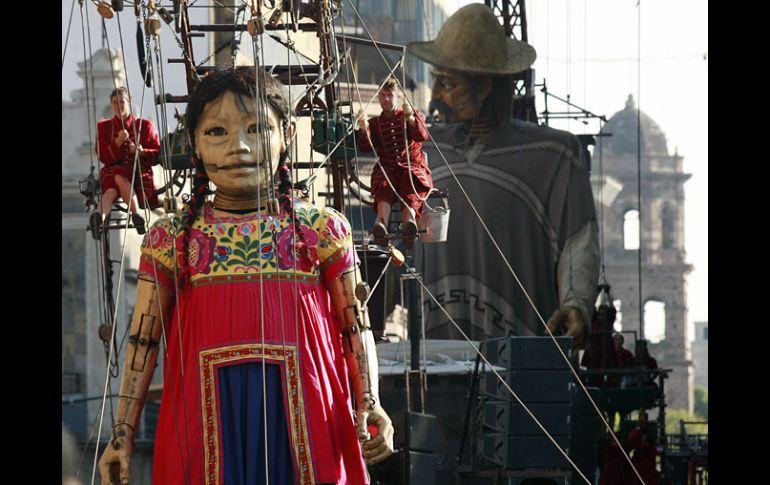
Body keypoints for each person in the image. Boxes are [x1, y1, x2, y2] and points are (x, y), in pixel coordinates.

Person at [98, 67, 393, 485]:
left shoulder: (322, 231)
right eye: (217, 132)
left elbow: (355, 324)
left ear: (286, 134)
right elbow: (142, 339)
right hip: (201, 425)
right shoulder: (171, 239)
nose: (238, 147)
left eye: (257, 129)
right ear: (194, 146)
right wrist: (122, 433)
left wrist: (369, 399)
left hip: (310, 420)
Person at [407, 4, 600, 354]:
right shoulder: (424, 154)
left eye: (448, 84)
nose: (436, 96)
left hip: (521, 356)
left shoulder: (551, 156)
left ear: (483, 87)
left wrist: (576, 303)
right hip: (432, 358)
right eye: (436, 81)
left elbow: (578, 239)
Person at [356, 78, 433, 244]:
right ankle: (381, 223)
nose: (385, 99)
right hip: (387, 169)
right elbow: (365, 147)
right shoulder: (374, 123)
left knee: (409, 182)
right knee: (384, 185)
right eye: (382, 95)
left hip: (412, 166)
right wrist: (363, 129)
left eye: (390, 95)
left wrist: (411, 119)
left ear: (397, 97)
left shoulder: (411, 114)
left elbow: (422, 136)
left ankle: (409, 223)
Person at [92, 86, 161, 236]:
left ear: (129, 102)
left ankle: (101, 214)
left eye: (122, 102)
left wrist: (142, 152)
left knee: (115, 180)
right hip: (112, 172)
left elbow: (159, 154)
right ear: (112, 104)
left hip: (138, 172)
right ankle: (131, 214)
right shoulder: (103, 127)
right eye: (115, 102)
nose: (118, 106)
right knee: (113, 182)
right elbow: (102, 156)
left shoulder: (145, 125)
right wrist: (117, 143)